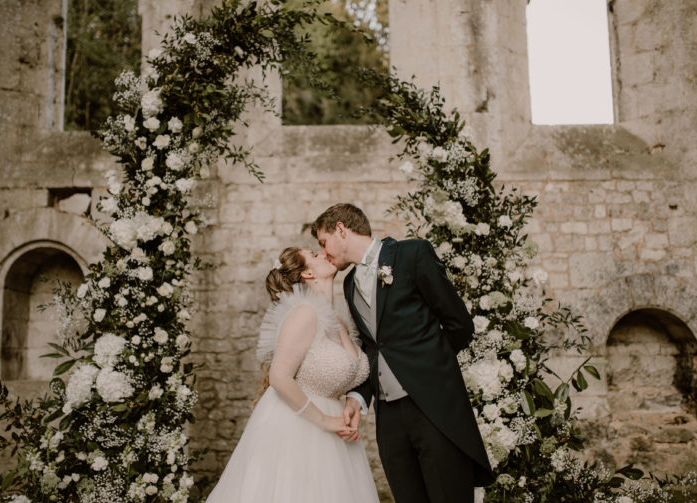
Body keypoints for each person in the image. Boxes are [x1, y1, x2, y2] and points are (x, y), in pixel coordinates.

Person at [312, 203, 495, 503]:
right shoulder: (348, 285)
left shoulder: (412, 254)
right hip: (390, 421)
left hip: (433, 408)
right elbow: (372, 348)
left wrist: (430, 370)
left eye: (323, 242)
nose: (324, 251)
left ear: (341, 229)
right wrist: (358, 397)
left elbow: (459, 323)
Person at [205, 247, 380, 502]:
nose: (323, 253)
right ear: (308, 273)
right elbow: (278, 376)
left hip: (337, 434)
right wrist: (323, 420)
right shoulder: (304, 314)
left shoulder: (341, 322)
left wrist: (352, 403)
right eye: (314, 254)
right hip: (299, 428)